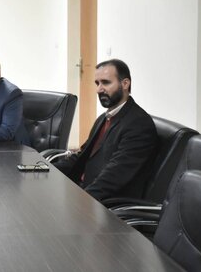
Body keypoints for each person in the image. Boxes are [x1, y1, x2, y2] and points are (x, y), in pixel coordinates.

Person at [54, 59, 157, 202]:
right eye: (97, 83)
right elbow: (83, 155)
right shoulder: (104, 118)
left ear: (125, 84)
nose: (99, 89)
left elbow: (114, 176)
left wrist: (81, 200)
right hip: (83, 188)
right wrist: (48, 170)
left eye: (106, 83)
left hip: (104, 202)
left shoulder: (139, 124)